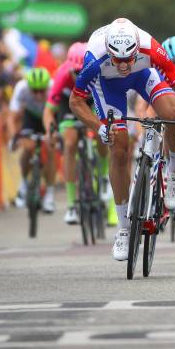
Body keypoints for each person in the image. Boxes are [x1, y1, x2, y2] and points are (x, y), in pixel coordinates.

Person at [70, 18, 175, 261]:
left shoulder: (150, 46)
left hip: (143, 75)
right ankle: (124, 229)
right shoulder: (94, 58)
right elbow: (75, 101)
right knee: (119, 149)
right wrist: (99, 126)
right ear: (109, 52)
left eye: (129, 59)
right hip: (107, 86)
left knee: (171, 114)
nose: (124, 65)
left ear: (137, 49)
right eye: (118, 60)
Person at [44, 42, 115, 225]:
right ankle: (71, 206)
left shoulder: (99, 71)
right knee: (69, 144)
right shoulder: (61, 74)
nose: (79, 76)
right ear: (69, 68)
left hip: (92, 102)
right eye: (76, 72)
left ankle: (104, 175)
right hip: (70, 106)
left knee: (103, 132)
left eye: (83, 72)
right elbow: (49, 111)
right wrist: (50, 131)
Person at [10, 67, 56, 213]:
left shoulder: (54, 86)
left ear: (47, 87)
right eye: (34, 91)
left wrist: (56, 134)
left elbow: (60, 112)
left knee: (50, 150)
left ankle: (50, 194)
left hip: (48, 115)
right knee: (28, 147)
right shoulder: (21, 88)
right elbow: (12, 117)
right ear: (28, 87)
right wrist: (14, 136)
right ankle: (23, 182)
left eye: (41, 91)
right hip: (30, 116)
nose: (38, 95)